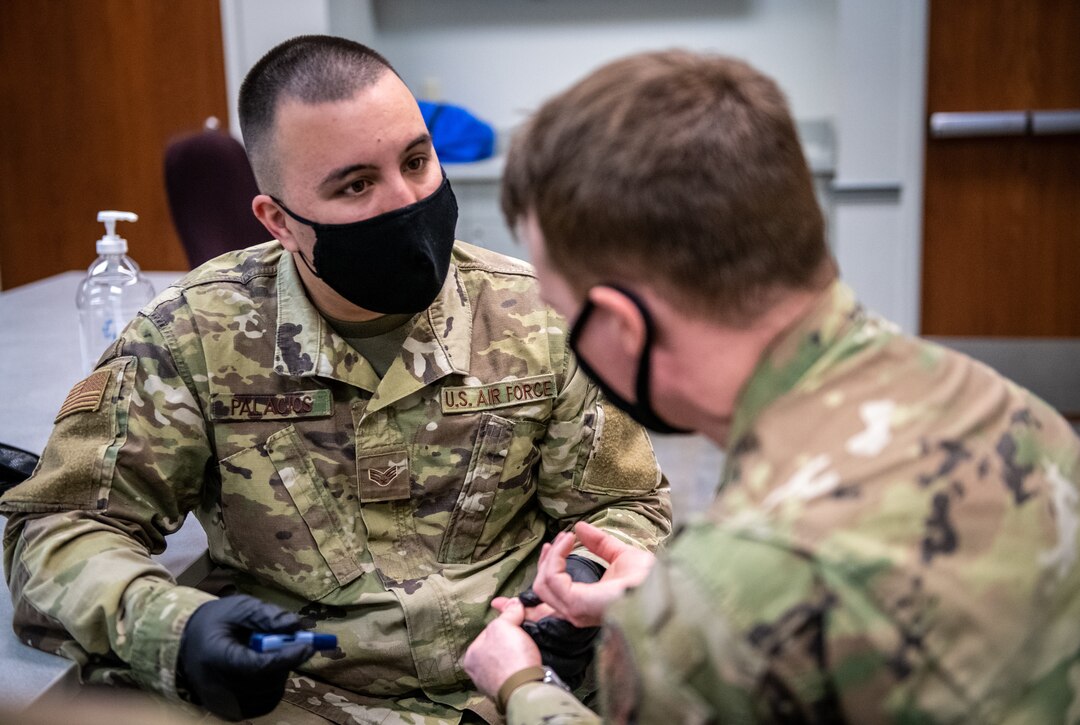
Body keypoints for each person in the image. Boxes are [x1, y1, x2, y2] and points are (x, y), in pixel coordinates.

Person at [0, 36, 672, 724]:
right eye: (356, 185)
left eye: (417, 161)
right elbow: (60, 527)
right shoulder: (194, 335)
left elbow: (626, 504)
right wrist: (177, 628)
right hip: (309, 700)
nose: (406, 200)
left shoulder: (536, 313)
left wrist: (581, 586)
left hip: (528, 682)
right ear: (279, 221)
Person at [463, 49, 1080, 723]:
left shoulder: (715, 610)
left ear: (623, 326)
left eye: (564, 311)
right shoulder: (1016, 411)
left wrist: (523, 686)